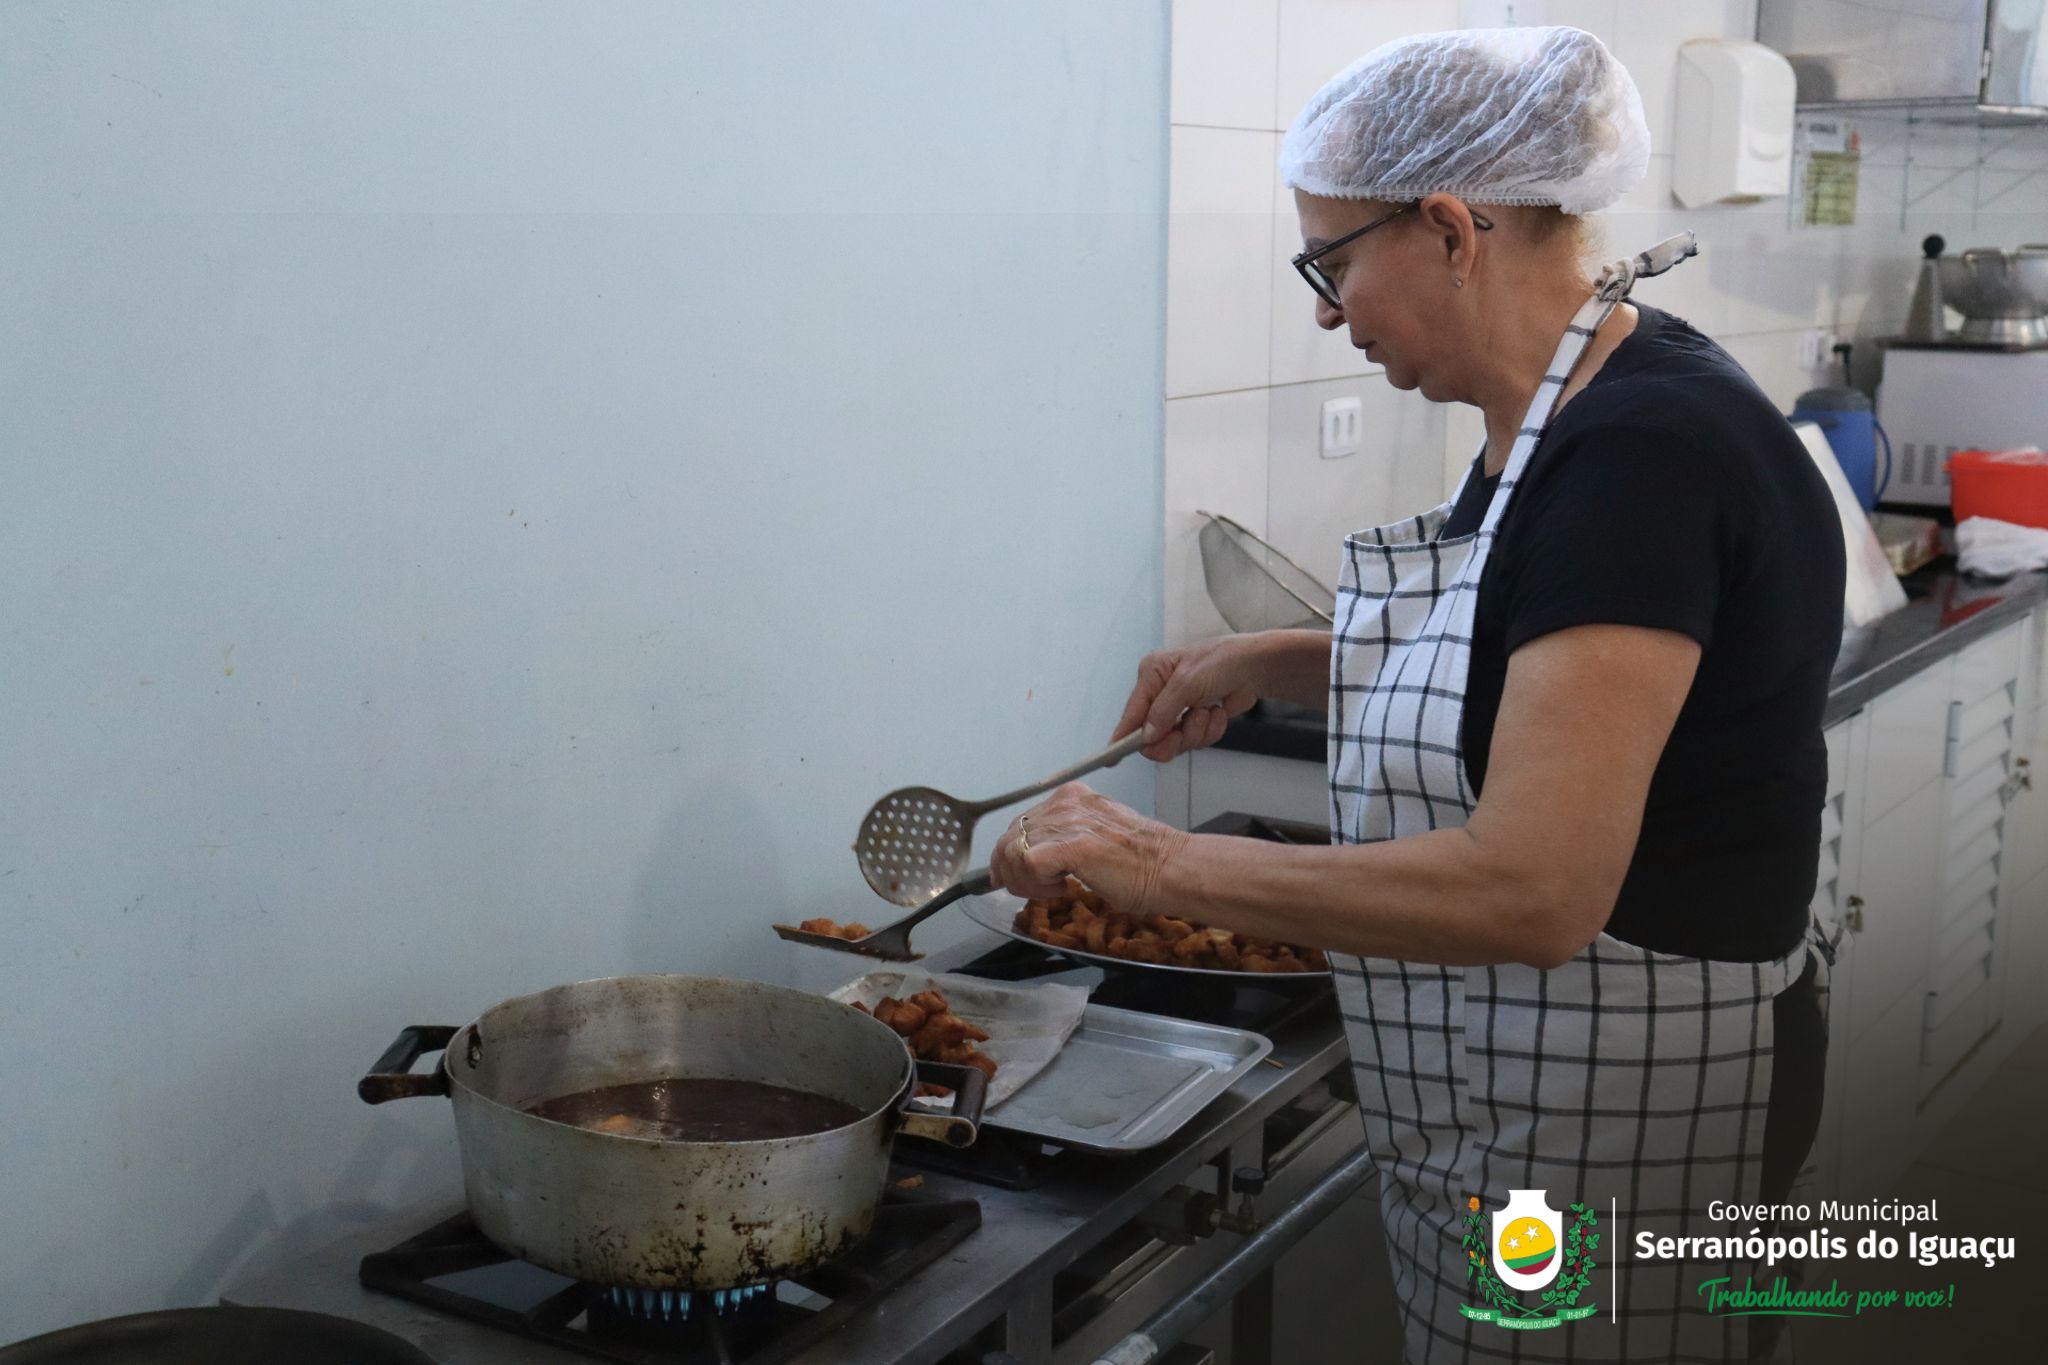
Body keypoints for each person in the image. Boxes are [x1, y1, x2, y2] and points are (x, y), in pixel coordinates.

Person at [989, 26, 1846, 1364]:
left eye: (1331, 265)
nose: (1328, 312)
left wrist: (1156, 862)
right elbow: (1535, 651)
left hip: (1621, 1115)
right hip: (1538, 1100)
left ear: (1452, 228)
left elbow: (1533, 888)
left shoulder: (1644, 455)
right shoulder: (1576, 410)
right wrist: (1282, 658)